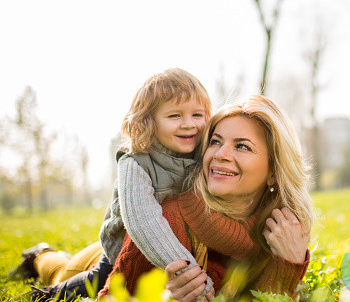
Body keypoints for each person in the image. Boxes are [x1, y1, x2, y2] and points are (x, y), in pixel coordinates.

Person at [9, 68, 215, 300]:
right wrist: (189, 273)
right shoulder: (135, 162)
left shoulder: (206, 155)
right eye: (175, 116)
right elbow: (144, 223)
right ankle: (41, 293)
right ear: (149, 121)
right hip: (124, 251)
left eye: (197, 115)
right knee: (97, 281)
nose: (189, 124)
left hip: (176, 253)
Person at [98, 95, 314, 301]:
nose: (219, 154)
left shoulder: (283, 233)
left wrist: (289, 264)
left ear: (274, 172)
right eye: (216, 142)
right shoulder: (166, 222)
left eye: (242, 146)